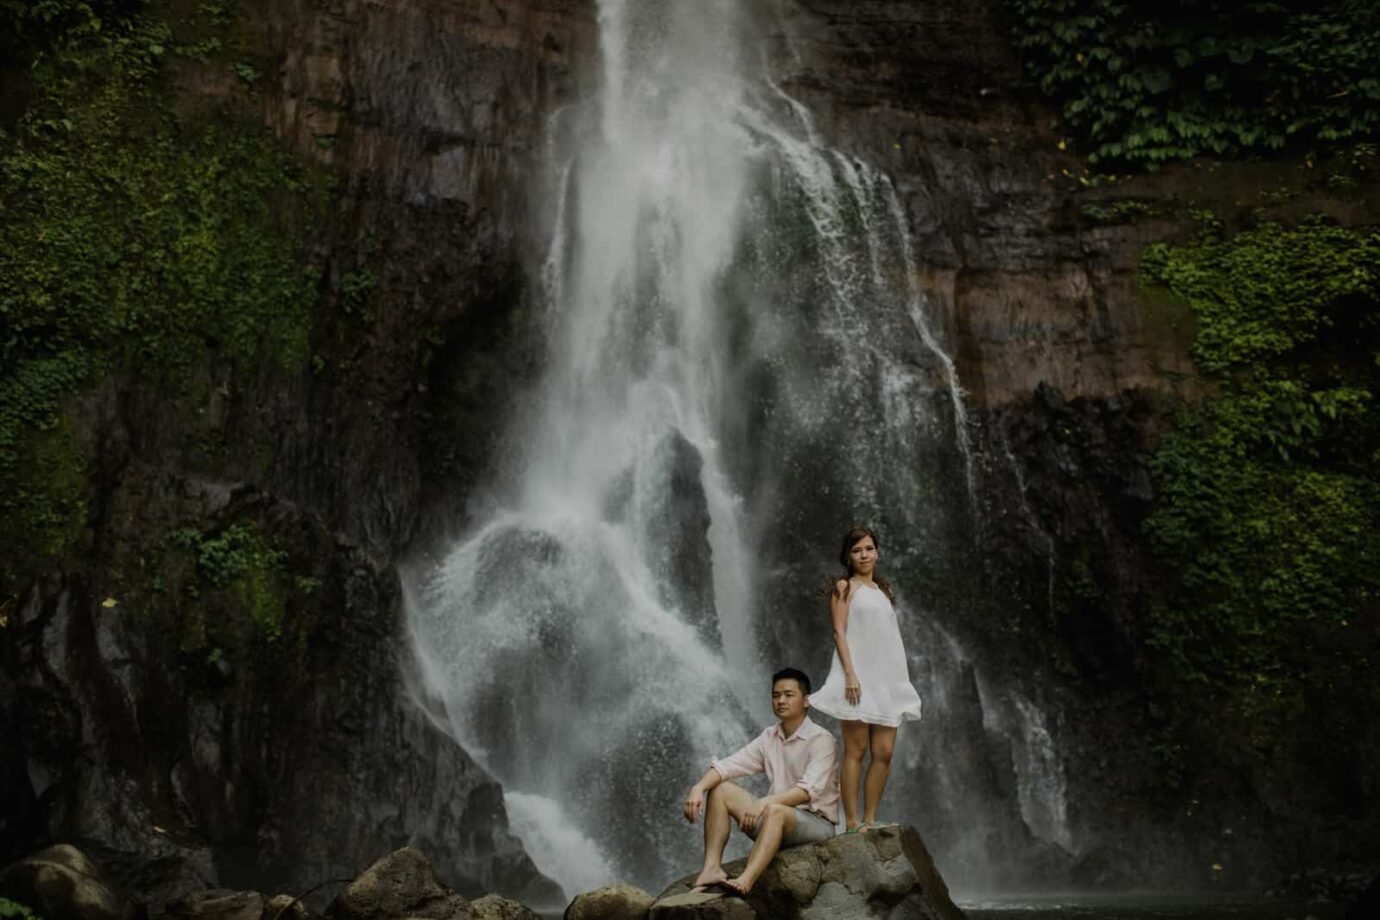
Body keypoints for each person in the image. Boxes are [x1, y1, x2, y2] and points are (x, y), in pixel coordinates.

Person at [680, 667, 839, 897]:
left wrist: (764, 803)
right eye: (776, 695)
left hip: (816, 825)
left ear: (806, 701)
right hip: (774, 821)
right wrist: (699, 787)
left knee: (775, 809)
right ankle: (711, 869)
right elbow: (727, 766)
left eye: (788, 694)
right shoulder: (770, 736)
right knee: (720, 789)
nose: (781, 700)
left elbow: (807, 792)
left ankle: (744, 881)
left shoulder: (822, 740)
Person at [807, 526, 923, 832]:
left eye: (869, 549)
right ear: (848, 555)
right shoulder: (845, 588)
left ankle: (870, 820)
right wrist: (849, 674)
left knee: (884, 753)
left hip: (888, 681)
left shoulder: (883, 591)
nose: (864, 555)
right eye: (857, 550)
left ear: (877, 552)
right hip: (856, 680)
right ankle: (852, 822)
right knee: (856, 750)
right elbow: (839, 631)